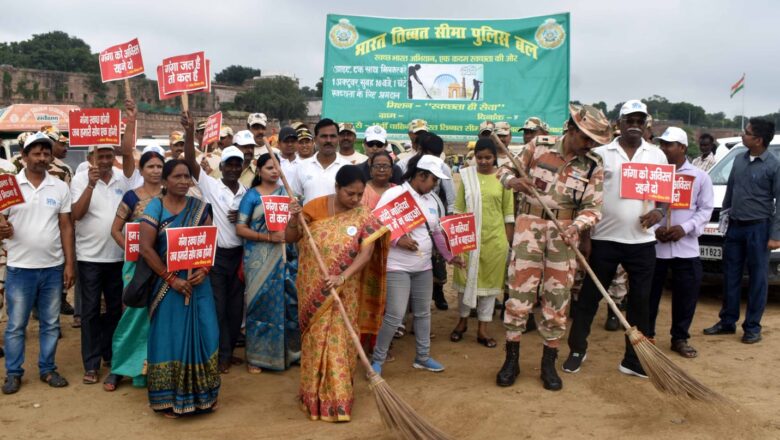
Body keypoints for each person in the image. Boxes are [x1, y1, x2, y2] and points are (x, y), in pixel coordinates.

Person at [496, 103, 609, 390]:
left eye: (594, 141)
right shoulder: (539, 146)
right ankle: (511, 359)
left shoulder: (593, 164)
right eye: (586, 138)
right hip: (529, 226)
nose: (589, 145)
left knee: (557, 298)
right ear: (571, 128)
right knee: (519, 292)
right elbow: (504, 170)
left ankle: (549, 362)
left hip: (564, 233)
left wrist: (577, 227)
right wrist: (515, 182)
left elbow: (594, 208)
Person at [565, 100, 667, 379]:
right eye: (629, 120)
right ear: (618, 124)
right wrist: (586, 237)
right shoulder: (600, 154)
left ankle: (634, 360)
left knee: (641, 302)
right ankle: (577, 350)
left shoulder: (656, 155)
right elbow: (586, 197)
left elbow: (664, 198)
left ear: (646, 124)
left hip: (642, 242)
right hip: (604, 239)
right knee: (588, 298)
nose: (634, 125)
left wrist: (660, 212)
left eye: (639, 121)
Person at [286, 165, 389, 422]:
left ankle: (339, 401)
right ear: (337, 188)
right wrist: (293, 218)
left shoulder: (364, 215)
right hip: (314, 288)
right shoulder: (314, 207)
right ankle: (312, 398)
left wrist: (343, 276)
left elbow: (366, 252)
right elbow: (289, 237)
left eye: (359, 194)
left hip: (346, 290)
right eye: (349, 194)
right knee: (315, 340)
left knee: (342, 340)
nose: (355, 200)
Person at [138, 159, 220, 417]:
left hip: (198, 285)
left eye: (187, 177)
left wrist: (204, 269)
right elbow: (145, 248)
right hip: (168, 288)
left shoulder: (200, 208)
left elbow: (209, 242)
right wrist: (171, 278)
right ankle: (168, 398)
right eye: (177, 177)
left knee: (207, 334)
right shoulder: (155, 207)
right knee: (169, 339)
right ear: (164, 181)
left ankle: (204, 395)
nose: (184, 181)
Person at [371, 155, 462, 375]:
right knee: (394, 315)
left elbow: (437, 233)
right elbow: (375, 224)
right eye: (433, 179)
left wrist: (450, 256)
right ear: (421, 176)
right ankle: (377, 361)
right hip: (397, 266)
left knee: (423, 313)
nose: (436, 184)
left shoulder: (432, 200)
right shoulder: (395, 194)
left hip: (423, 267)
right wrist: (397, 240)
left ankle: (422, 356)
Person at [0, 132, 75, 394]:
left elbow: (66, 226)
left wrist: (69, 263)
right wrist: (3, 229)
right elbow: (2, 222)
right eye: (36, 153)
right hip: (20, 268)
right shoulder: (8, 186)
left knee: (51, 323)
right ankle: (13, 373)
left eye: (46, 153)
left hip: (53, 267)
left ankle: (47, 368)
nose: (42, 158)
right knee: (16, 325)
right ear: (24, 157)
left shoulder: (60, 186)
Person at [71, 99, 138, 386]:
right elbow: (76, 213)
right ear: (91, 158)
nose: (105, 160)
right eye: (100, 156)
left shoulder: (123, 181)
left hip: (117, 257)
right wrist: (90, 184)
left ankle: (111, 355)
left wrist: (131, 121)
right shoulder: (79, 178)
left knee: (114, 310)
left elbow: (132, 163)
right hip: (88, 258)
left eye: (109, 155)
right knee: (88, 313)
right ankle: (91, 363)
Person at [704, 118, 780, 344]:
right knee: (731, 276)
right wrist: (724, 223)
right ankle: (727, 322)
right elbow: (730, 193)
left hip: (759, 228)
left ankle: (752, 327)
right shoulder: (738, 160)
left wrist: (776, 236)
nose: (742, 135)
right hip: (735, 228)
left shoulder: (774, 165)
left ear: (758, 140)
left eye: (746, 133)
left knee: (758, 279)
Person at [183, 111, 247, 373]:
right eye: (229, 164)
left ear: (241, 167)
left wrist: (243, 216)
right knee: (218, 308)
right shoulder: (211, 186)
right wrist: (188, 133)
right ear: (221, 167)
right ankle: (218, 356)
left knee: (234, 309)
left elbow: (255, 221)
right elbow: (189, 160)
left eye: (236, 165)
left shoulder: (247, 194)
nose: (232, 168)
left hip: (239, 257)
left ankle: (229, 352)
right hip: (217, 257)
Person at [104, 146, 165, 391]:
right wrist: (131, 249)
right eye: (150, 166)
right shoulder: (131, 197)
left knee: (158, 316)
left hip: (162, 266)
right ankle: (119, 368)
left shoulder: (169, 195)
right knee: (132, 315)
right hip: (136, 266)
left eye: (160, 166)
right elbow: (115, 230)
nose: (155, 170)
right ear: (141, 170)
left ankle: (153, 368)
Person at [648, 127, 714, 358]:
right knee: (649, 295)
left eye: (670, 144)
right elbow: (644, 205)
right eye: (663, 144)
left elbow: (705, 210)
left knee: (685, 295)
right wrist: (656, 229)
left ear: (683, 148)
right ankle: (647, 336)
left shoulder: (699, 176)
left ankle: (680, 338)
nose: (664, 148)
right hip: (656, 248)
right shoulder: (653, 174)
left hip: (686, 248)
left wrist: (684, 228)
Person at [235, 153, 300, 372]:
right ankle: (257, 357)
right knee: (260, 306)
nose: (274, 171)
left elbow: (299, 228)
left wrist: (296, 214)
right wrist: (269, 238)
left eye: (277, 167)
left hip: (286, 257)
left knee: (288, 304)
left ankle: (289, 354)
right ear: (259, 170)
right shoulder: (251, 196)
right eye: (269, 167)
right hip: (259, 258)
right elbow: (241, 229)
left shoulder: (289, 195)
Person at [450, 139, 514, 348]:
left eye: (488, 157)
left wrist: (507, 242)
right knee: (465, 280)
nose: (484, 161)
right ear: (474, 157)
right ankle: (462, 322)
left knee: (489, 286)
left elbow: (508, 213)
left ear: (495, 157)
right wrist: (456, 244)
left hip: (495, 240)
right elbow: (458, 210)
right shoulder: (467, 176)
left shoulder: (504, 179)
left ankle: (483, 329)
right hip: (468, 240)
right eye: (480, 157)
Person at [288, 118, 349, 206]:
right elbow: (295, 199)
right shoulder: (302, 167)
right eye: (324, 136)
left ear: (338, 138)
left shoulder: (347, 167)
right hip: (308, 219)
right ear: (315, 140)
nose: (328, 140)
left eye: (332, 136)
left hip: (337, 219)